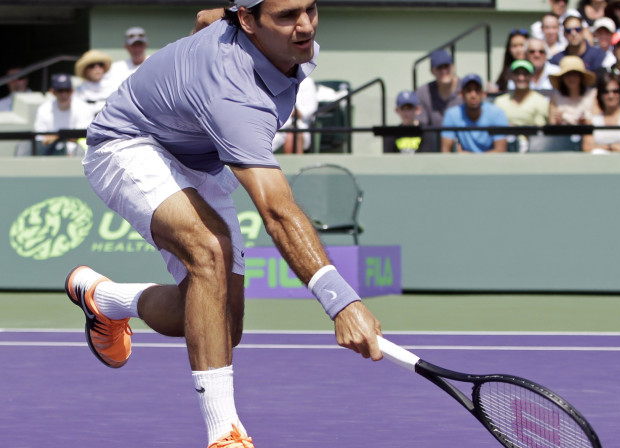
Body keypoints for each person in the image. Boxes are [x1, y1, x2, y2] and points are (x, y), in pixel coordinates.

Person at [66, 4, 383, 448]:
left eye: (311, 8)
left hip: (201, 155)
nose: (306, 24)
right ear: (249, 22)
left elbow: (206, 16)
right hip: (128, 143)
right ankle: (225, 434)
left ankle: (105, 300)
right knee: (209, 251)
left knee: (220, 325)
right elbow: (275, 211)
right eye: (289, 14)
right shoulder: (233, 92)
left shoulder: (286, 41)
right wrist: (341, 302)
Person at [441, 73, 509, 153]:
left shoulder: (497, 113)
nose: (473, 95)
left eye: (477, 90)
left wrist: (470, 158)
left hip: (491, 164)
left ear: (483, 94)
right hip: (462, 164)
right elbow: (445, 151)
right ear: (461, 94)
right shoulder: (451, 114)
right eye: (468, 90)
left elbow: (500, 150)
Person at [493, 60, 550, 152]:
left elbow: (538, 131)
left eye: (525, 74)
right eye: (517, 74)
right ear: (511, 76)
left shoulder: (541, 101)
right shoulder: (500, 101)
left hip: (533, 149)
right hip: (505, 148)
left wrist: (513, 129)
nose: (521, 78)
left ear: (532, 76)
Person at [33, 73, 95, 156]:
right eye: (60, 91)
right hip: (50, 153)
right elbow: (41, 140)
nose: (64, 95)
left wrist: (57, 136)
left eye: (67, 90)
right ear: (53, 92)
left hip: (79, 156)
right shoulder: (43, 109)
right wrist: (64, 137)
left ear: (72, 91)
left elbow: (84, 136)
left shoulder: (84, 108)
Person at [415, 48, 462, 146]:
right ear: (432, 70)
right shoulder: (423, 92)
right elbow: (421, 124)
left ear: (453, 67)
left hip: (462, 144)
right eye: (439, 67)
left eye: (446, 66)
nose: (444, 71)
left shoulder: (467, 89)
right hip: (434, 147)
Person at [272, 77, 318, 154]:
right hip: (275, 128)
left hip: (301, 128)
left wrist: (289, 111)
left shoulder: (307, 82)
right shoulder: (273, 80)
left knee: (292, 136)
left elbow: (310, 110)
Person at [548, 55, 597, 125]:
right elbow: (552, 123)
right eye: (568, 74)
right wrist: (557, 122)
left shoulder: (592, 95)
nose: (571, 78)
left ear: (581, 76)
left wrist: (585, 122)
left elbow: (597, 120)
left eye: (575, 74)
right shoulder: (555, 98)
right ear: (562, 77)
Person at [103, 26, 150, 92]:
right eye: (133, 45)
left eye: (140, 45)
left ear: (146, 45)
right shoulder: (116, 68)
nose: (137, 49)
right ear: (126, 46)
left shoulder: (155, 64)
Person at [73, 50, 114, 116]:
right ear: (85, 70)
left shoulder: (114, 87)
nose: (97, 68)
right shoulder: (79, 92)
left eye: (100, 64)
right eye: (92, 65)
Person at [494, 28, 531, 93]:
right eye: (514, 46)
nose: (518, 50)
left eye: (522, 45)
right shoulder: (505, 73)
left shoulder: (537, 69)